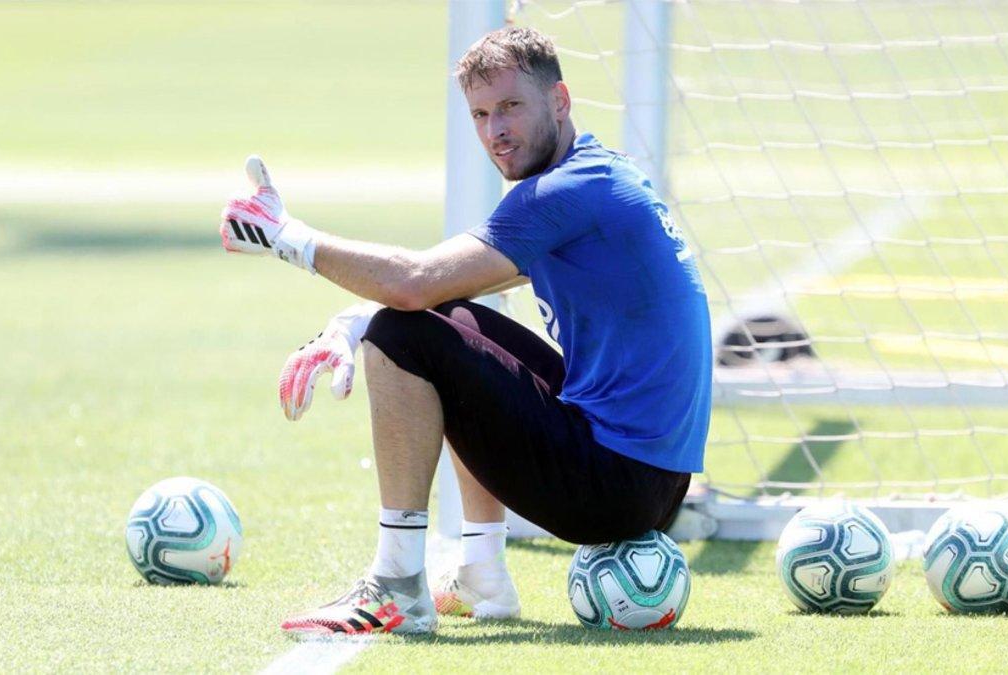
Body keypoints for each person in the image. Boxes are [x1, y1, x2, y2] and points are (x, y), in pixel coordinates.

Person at [220, 26, 711, 635]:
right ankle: (483, 571)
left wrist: (284, 237)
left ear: (559, 101)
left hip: (616, 485)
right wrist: (346, 327)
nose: (495, 132)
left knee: (404, 338)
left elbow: (415, 283)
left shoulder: (560, 194)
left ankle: (396, 584)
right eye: (481, 114)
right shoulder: (597, 175)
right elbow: (448, 286)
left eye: (511, 107)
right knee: (460, 322)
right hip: (655, 480)